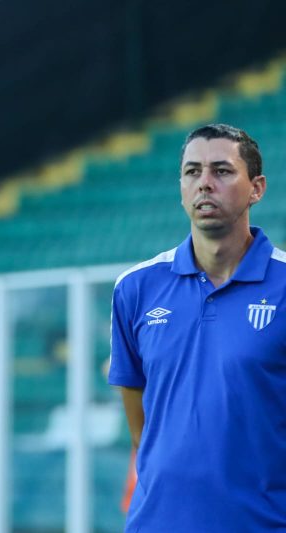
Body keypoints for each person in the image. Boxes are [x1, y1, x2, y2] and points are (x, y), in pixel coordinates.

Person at [109, 123, 286, 531]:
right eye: (192, 172)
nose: (205, 183)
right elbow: (143, 430)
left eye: (222, 171)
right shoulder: (136, 288)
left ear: (256, 188)